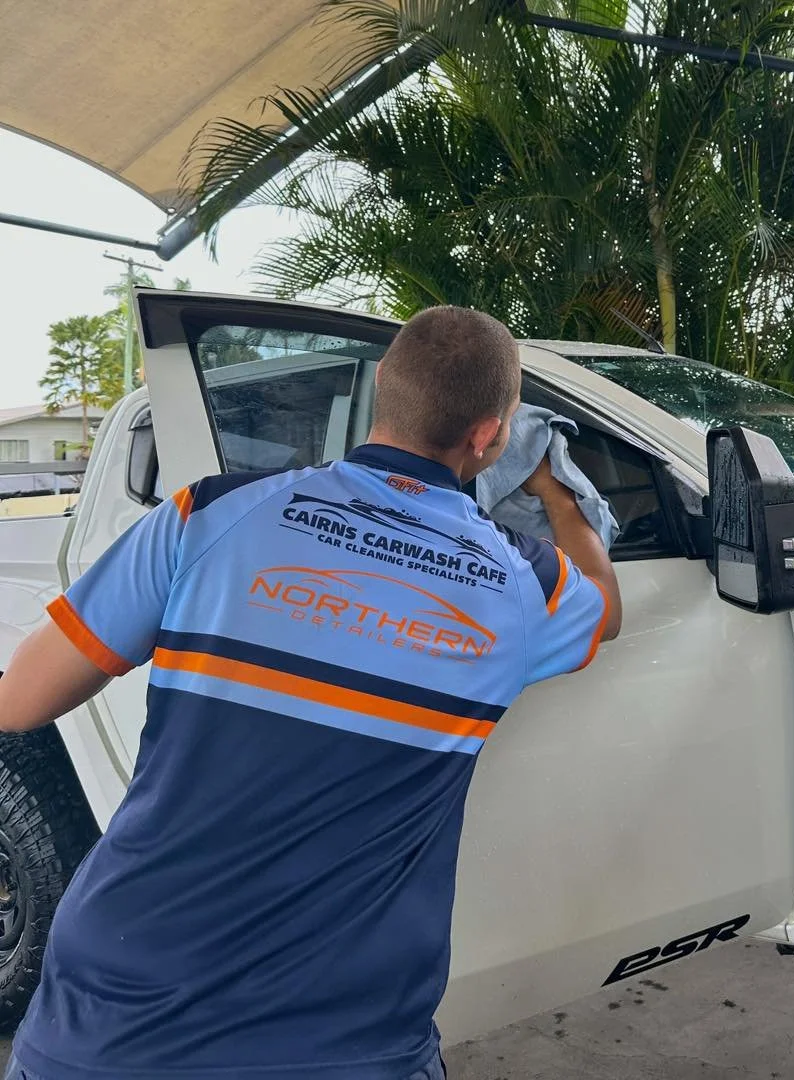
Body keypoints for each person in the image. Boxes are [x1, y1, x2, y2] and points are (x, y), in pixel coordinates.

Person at [0, 306, 621, 1080]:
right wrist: (561, 496)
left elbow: (19, 702)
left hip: (114, 1009)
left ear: (383, 385)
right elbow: (606, 604)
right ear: (490, 436)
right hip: (342, 1035)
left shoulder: (208, 514)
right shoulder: (521, 583)